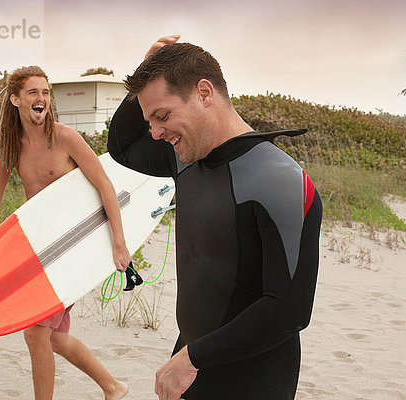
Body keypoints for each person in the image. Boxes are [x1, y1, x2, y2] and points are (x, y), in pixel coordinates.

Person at [108, 35, 323, 400]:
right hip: (192, 364)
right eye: (150, 120)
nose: (156, 133)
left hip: (253, 379)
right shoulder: (184, 157)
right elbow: (123, 146)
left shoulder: (281, 181)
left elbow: (289, 309)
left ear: (205, 93)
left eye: (162, 116)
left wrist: (193, 357)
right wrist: (143, 84)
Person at [0, 65, 130, 400]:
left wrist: (118, 243)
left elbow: (104, 185)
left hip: (73, 246)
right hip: (41, 247)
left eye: (45, 92)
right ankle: (113, 387)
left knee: (36, 331)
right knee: (51, 337)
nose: (41, 99)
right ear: (15, 100)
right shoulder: (8, 144)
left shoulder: (65, 138)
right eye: (33, 92)